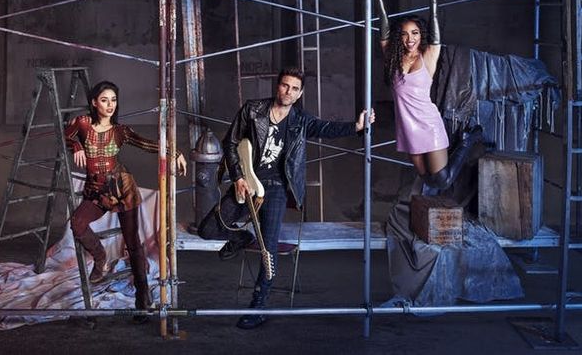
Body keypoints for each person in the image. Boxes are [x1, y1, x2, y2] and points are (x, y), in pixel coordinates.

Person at [198, 67, 373, 329]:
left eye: (294, 88)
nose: (288, 92)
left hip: (278, 188)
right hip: (248, 182)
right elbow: (230, 143)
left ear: (300, 93)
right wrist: (238, 177)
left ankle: (258, 307)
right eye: (284, 85)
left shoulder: (301, 120)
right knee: (208, 229)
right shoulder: (253, 110)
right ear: (277, 85)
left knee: (268, 250)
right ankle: (241, 237)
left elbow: (326, 127)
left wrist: (357, 126)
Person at [64, 81, 186, 320]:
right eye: (104, 100)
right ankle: (100, 257)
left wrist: (176, 151)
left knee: (133, 244)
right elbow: (66, 133)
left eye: (113, 100)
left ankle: (143, 298)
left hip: (122, 187)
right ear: (94, 103)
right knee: (77, 223)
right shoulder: (82, 123)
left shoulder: (121, 131)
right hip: (96, 190)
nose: (110, 105)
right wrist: (76, 145)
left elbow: (148, 144)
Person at [374, 0, 482, 192]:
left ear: (421, 35)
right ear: (398, 37)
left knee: (442, 180)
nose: (410, 39)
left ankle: (468, 140)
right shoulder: (392, 58)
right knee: (428, 180)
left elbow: (435, 28)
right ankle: (466, 140)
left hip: (429, 123)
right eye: (404, 34)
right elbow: (383, 28)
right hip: (407, 127)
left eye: (415, 33)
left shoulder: (428, 56)